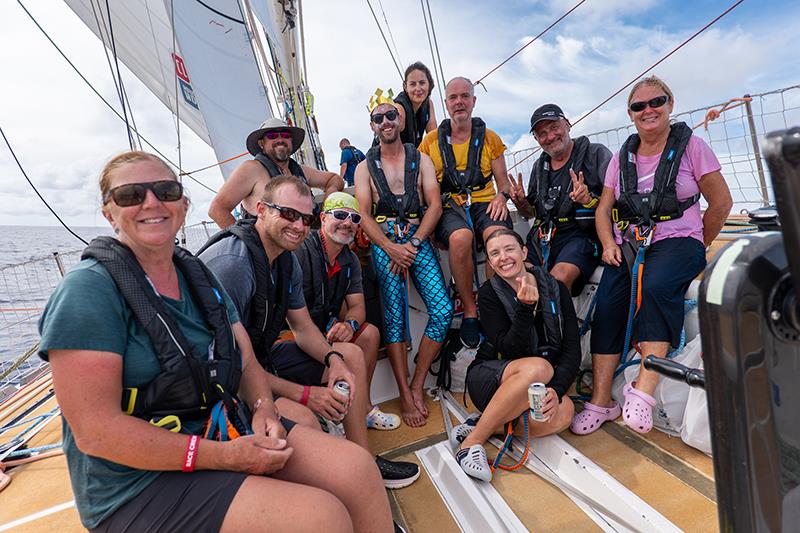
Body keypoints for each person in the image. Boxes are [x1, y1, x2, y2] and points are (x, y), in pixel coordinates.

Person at [38, 151, 394, 532]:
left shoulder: (198, 278)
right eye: (131, 195)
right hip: (137, 482)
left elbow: (245, 361)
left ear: (183, 204)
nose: (152, 202)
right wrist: (225, 456)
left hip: (219, 427)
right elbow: (96, 432)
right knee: (321, 517)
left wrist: (263, 410)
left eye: (166, 190)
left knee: (356, 470)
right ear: (109, 212)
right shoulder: (88, 291)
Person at [199, 175, 420, 488]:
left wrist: (333, 360)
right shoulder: (233, 264)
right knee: (305, 421)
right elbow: (229, 366)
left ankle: (363, 463)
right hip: (223, 384)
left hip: (260, 361)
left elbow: (302, 327)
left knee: (351, 356)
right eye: (288, 214)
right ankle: (337, 486)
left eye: (305, 218)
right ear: (261, 210)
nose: (299, 226)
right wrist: (305, 395)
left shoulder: (286, 260)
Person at [571, 76, 733, 436]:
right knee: (610, 302)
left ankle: (642, 395)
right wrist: (609, 244)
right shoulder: (621, 158)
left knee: (659, 287)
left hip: (680, 241)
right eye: (638, 106)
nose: (648, 110)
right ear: (631, 114)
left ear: (670, 104)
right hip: (631, 245)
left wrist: (697, 243)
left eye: (655, 102)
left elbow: (721, 203)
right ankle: (601, 401)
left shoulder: (693, 148)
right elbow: (603, 210)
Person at [354, 91, 454, 428]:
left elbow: (435, 205)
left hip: (415, 239)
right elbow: (364, 215)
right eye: (379, 118)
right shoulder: (364, 167)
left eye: (391, 116)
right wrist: (390, 247)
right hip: (385, 244)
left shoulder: (420, 159)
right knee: (393, 319)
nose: (386, 122)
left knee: (441, 311)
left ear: (401, 121)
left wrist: (410, 244)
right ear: (372, 125)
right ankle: (403, 390)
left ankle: (417, 380)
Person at [452, 229, 578, 482]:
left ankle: (486, 425)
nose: (503, 258)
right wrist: (525, 309)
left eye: (509, 249)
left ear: (523, 252)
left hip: (537, 383)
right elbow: (510, 349)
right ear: (489, 262)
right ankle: (470, 445)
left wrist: (556, 389)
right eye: (495, 254)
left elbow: (572, 348)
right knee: (539, 368)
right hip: (492, 378)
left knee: (565, 412)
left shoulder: (556, 288)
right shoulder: (488, 294)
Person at [418, 76, 513, 348]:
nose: (459, 102)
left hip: (484, 201)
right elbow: (424, 187)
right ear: (446, 104)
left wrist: (501, 195)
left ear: (473, 101)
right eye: (453, 97)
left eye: (464, 96)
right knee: (460, 238)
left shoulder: (490, 139)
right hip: (449, 204)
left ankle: (495, 304)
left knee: (499, 240)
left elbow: (503, 181)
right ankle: (471, 310)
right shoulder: (431, 143)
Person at [296, 191, 401, 431]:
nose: (347, 223)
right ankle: (338, 414)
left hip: (326, 331)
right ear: (322, 218)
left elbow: (357, 308)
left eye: (355, 218)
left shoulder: (350, 260)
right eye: (340, 215)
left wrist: (349, 325)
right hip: (297, 336)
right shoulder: (302, 251)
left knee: (369, 334)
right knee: (352, 352)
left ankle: (363, 408)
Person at [508, 104, 612, 294]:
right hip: (545, 236)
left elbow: (614, 202)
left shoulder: (596, 154)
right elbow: (531, 213)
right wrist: (522, 203)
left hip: (582, 235)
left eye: (554, 127)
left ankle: (561, 323)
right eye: (542, 133)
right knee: (513, 277)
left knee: (557, 281)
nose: (550, 137)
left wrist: (588, 199)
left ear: (567, 124)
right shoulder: (539, 168)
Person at [208, 118, 344, 228]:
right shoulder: (251, 169)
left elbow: (334, 179)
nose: (280, 139)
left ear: (291, 141)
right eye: (272, 136)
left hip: (306, 246)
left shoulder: (301, 171)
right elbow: (217, 209)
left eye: (285, 135)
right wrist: (246, 246)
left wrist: (329, 200)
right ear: (262, 144)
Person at [394, 62, 438, 147]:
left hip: (413, 156)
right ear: (405, 87)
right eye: (413, 84)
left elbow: (434, 138)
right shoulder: (399, 108)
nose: (418, 88)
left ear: (429, 84)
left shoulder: (428, 103)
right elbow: (386, 140)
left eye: (422, 83)